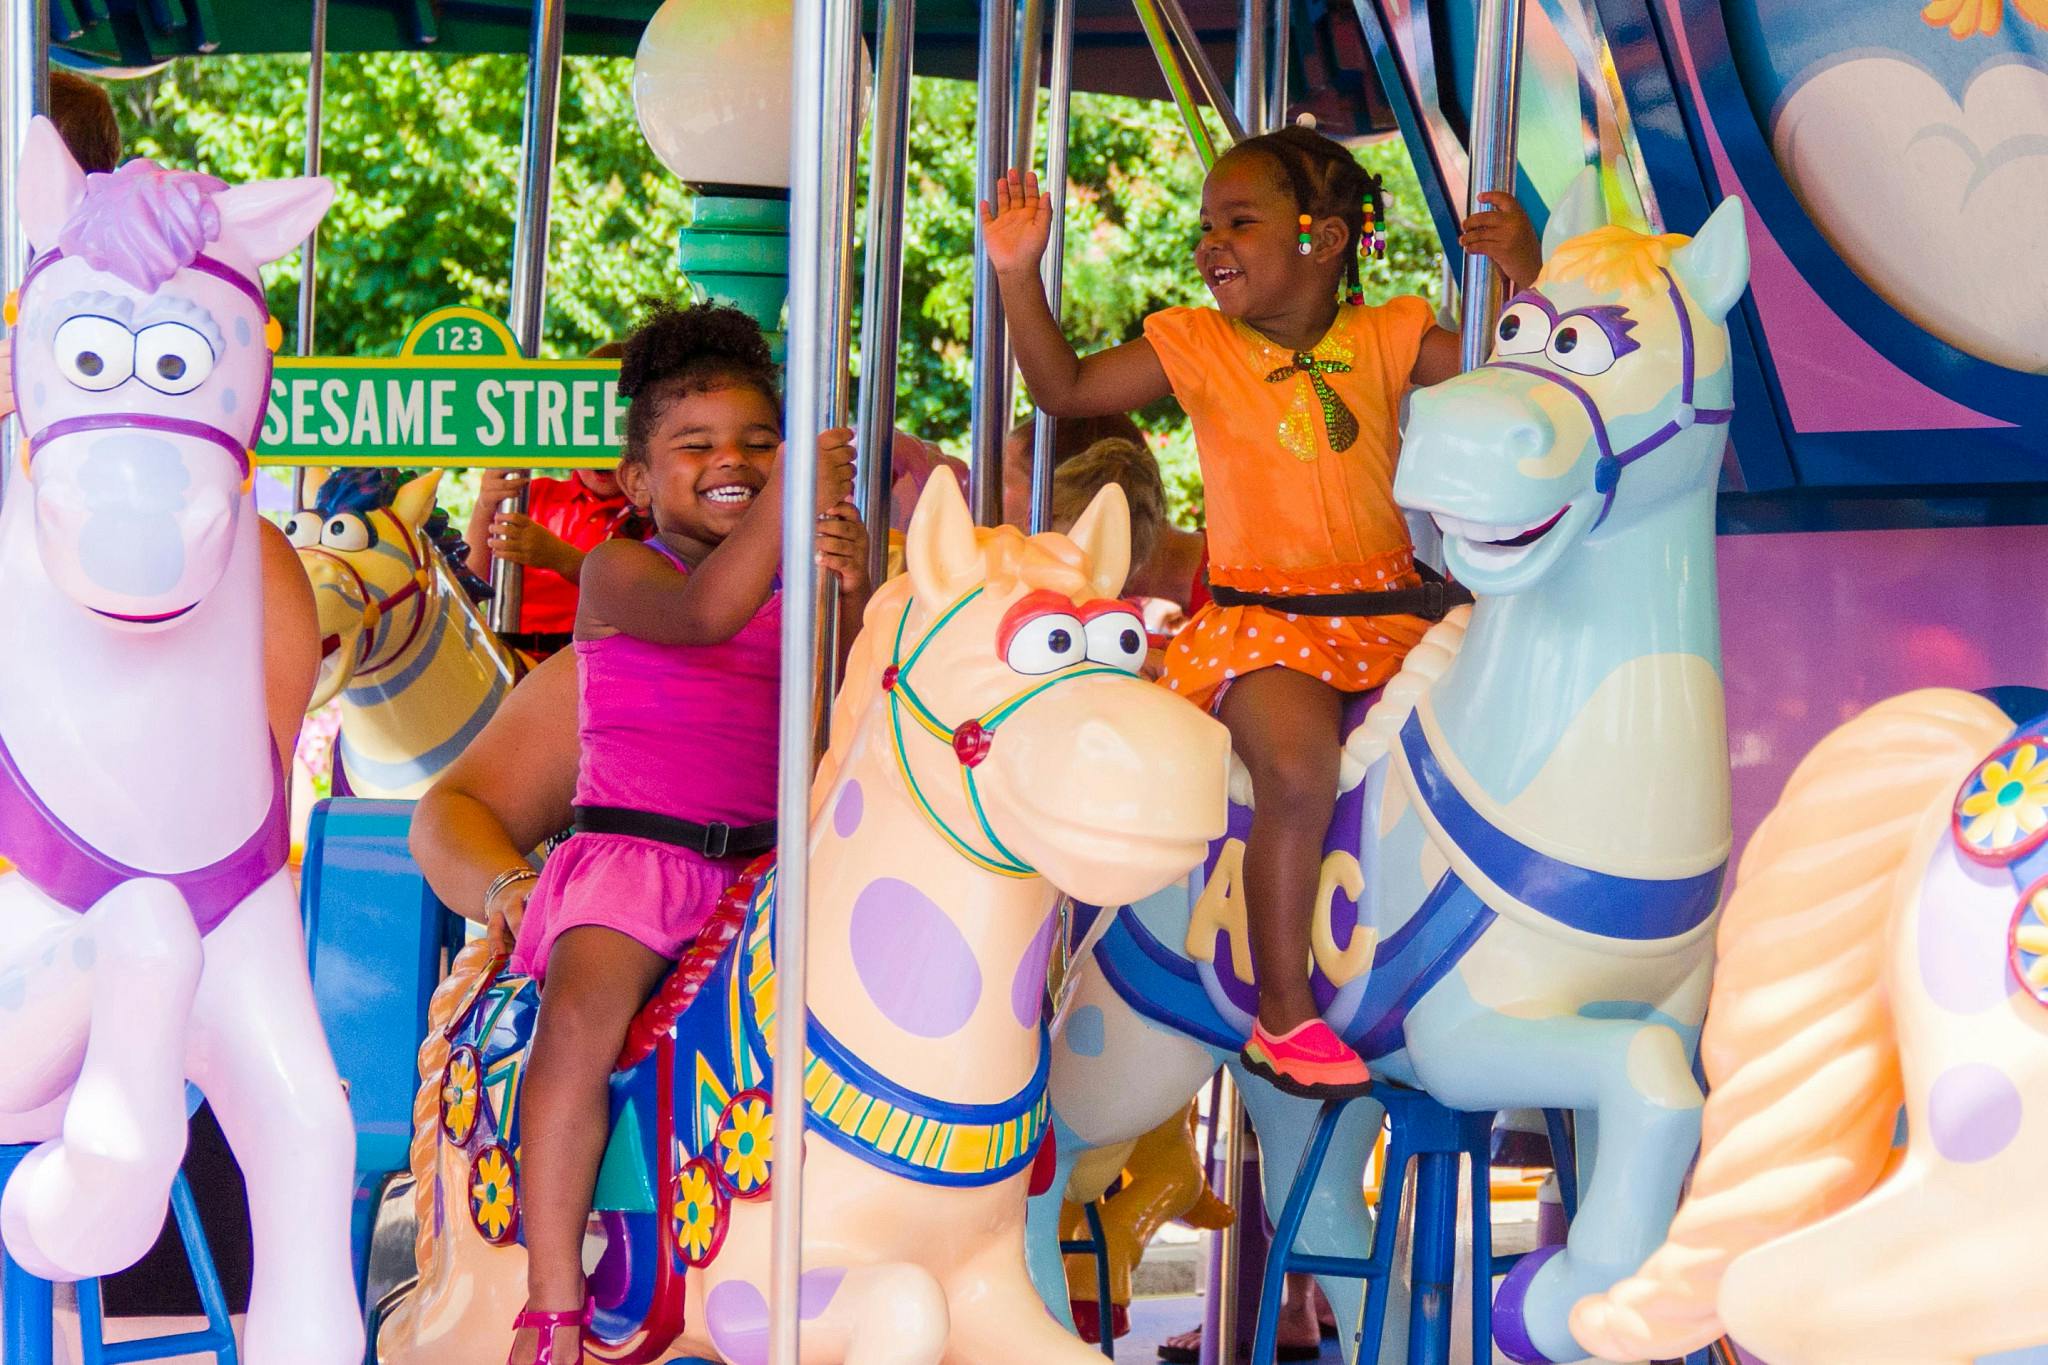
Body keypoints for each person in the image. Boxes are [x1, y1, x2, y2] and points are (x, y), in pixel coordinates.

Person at [983, 122, 1539, 1098]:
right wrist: (1016, 274)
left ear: (1321, 240)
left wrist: (1525, 273)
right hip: (1264, 625)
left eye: (1238, 221)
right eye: (1207, 223)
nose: (1211, 242)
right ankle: (1284, 1012)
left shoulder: (1389, 334)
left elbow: (1520, 381)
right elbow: (1060, 385)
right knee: (1294, 768)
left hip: (1390, 613)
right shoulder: (1194, 346)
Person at [491, 300, 867, 1365]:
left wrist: (857, 582)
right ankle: (552, 1293)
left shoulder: (795, 569)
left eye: (756, 440)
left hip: (770, 869)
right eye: (693, 446)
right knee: (579, 1022)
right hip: (638, 860)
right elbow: (705, 616)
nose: (731, 461)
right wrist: (788, 504)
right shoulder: (622, 571)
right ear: (636, 481)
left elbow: (864, 699)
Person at [464, 344, 650, 658]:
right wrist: (485, 506)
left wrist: (559, 557)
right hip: (508, 656)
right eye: (589, 425)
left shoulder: (654, 515)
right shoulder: (530, 495)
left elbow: (642, 601)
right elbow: (470, 584)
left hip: (595, 661)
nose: (603, 455)